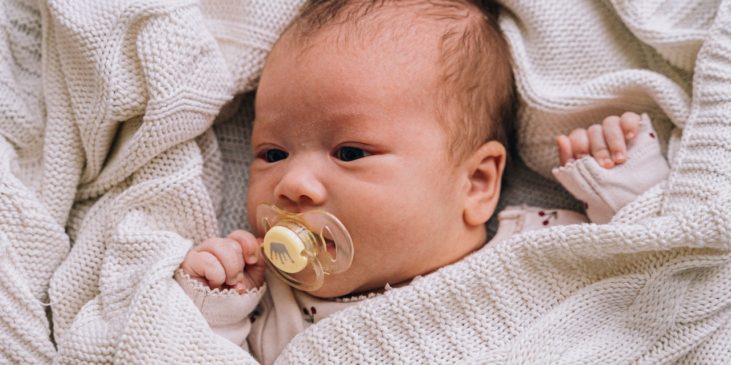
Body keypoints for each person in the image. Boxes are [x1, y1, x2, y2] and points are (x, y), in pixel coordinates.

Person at [174, 1, 669, 363]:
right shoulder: (272, 305)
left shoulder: (542, 244)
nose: (292, 183)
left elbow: (658, 271)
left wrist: (627, 188)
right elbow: (194, 353)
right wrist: (213, 308)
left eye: (350, 152)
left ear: (475, 183)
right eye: (272, 154)